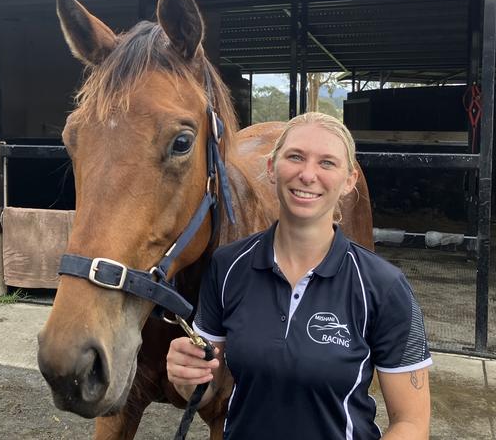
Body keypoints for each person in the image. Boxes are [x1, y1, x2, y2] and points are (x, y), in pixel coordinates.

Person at [167, 112, 432, 439]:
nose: (308, 175)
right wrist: (186, 377)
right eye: (295, 157)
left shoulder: (384, 287)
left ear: (349, 181)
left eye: (327, 163)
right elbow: (207, 391)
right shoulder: (228, 266)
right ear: (271, 169)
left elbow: (411, 423)